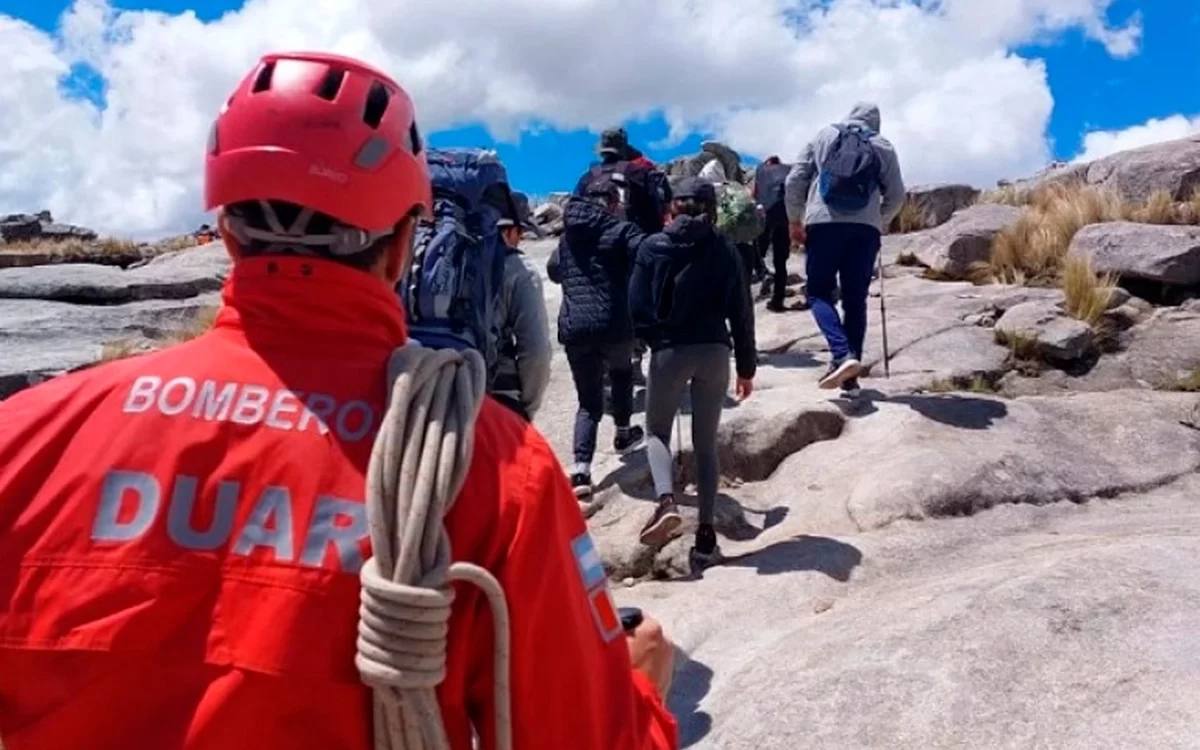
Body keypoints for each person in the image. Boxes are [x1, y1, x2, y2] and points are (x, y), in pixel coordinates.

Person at [0, 51, 678, 750]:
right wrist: (643, 693)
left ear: (227, 234)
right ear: (401, 245)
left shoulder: (23, 438)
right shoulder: (499, 472)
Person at [629, 177, 756, 563]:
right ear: (711, 207)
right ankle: (705, 534)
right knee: (705, 443)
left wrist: (653, 340)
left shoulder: (653, 246)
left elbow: (637, 305)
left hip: (670, 350)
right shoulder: (726, 249)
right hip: (715, 352)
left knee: (656, 432)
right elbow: (742, 313)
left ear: (673, 208)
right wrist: (747, 368)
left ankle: (667, 502)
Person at [785, 102, 905, 395]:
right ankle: (850, 379)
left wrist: (794, 219)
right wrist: (880, 220)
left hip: (823, 223)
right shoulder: (883, 145)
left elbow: (795, 179)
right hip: (865, 230)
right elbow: (897, 195)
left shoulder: (825, 135)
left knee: (818, 292)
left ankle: (842, 355)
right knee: (855, 301)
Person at [548, 176, 647, 499]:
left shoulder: (568, 236)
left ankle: (580, 470)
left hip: (575, 326)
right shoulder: (620, 230)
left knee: (588, 402)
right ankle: (622, 433)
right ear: (609, 202)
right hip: (615, 323)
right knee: (621, 374)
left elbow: (553, 270)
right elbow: (646, 256)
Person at [576, 127, 671, 386]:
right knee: (636, 307)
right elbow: (656, 210)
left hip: (596, 255)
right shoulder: (639, 173)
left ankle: (605, 367)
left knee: (604, 307)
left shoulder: (588, 178)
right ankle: (634, 361)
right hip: (631, 251)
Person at [491, 191, 552, 421]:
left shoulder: (450, 260)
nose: (520, 239)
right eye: (520, 232)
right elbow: (536, 352)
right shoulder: (520, 270)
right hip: (498, 398)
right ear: (509, 231)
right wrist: (526, 409)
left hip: (439, 393)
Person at [753, 155, 794, 312]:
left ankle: (761, 277)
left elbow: (755, 194)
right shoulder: (789, 170)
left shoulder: (760, 170)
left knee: (757, 254)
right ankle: (778, 300)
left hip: (765, 217)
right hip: (785, 217)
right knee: (780, 262)